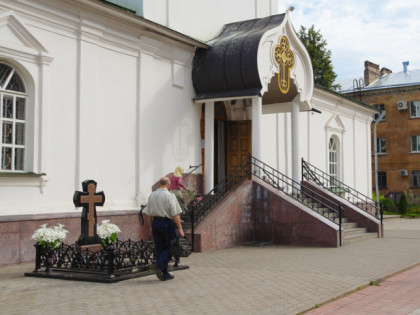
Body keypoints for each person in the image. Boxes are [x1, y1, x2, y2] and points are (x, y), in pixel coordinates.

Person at [143, 177, 185, 281]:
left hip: (156, 223)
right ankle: (158, 265)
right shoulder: (170, 195)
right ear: (168, 184)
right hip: (167, 223)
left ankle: (165, 273)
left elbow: (147, 214)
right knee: (172, 247)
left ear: (159, 184)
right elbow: (175, 214)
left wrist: (150, 227)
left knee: (160, 249)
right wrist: (180, 228)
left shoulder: (152, 195)